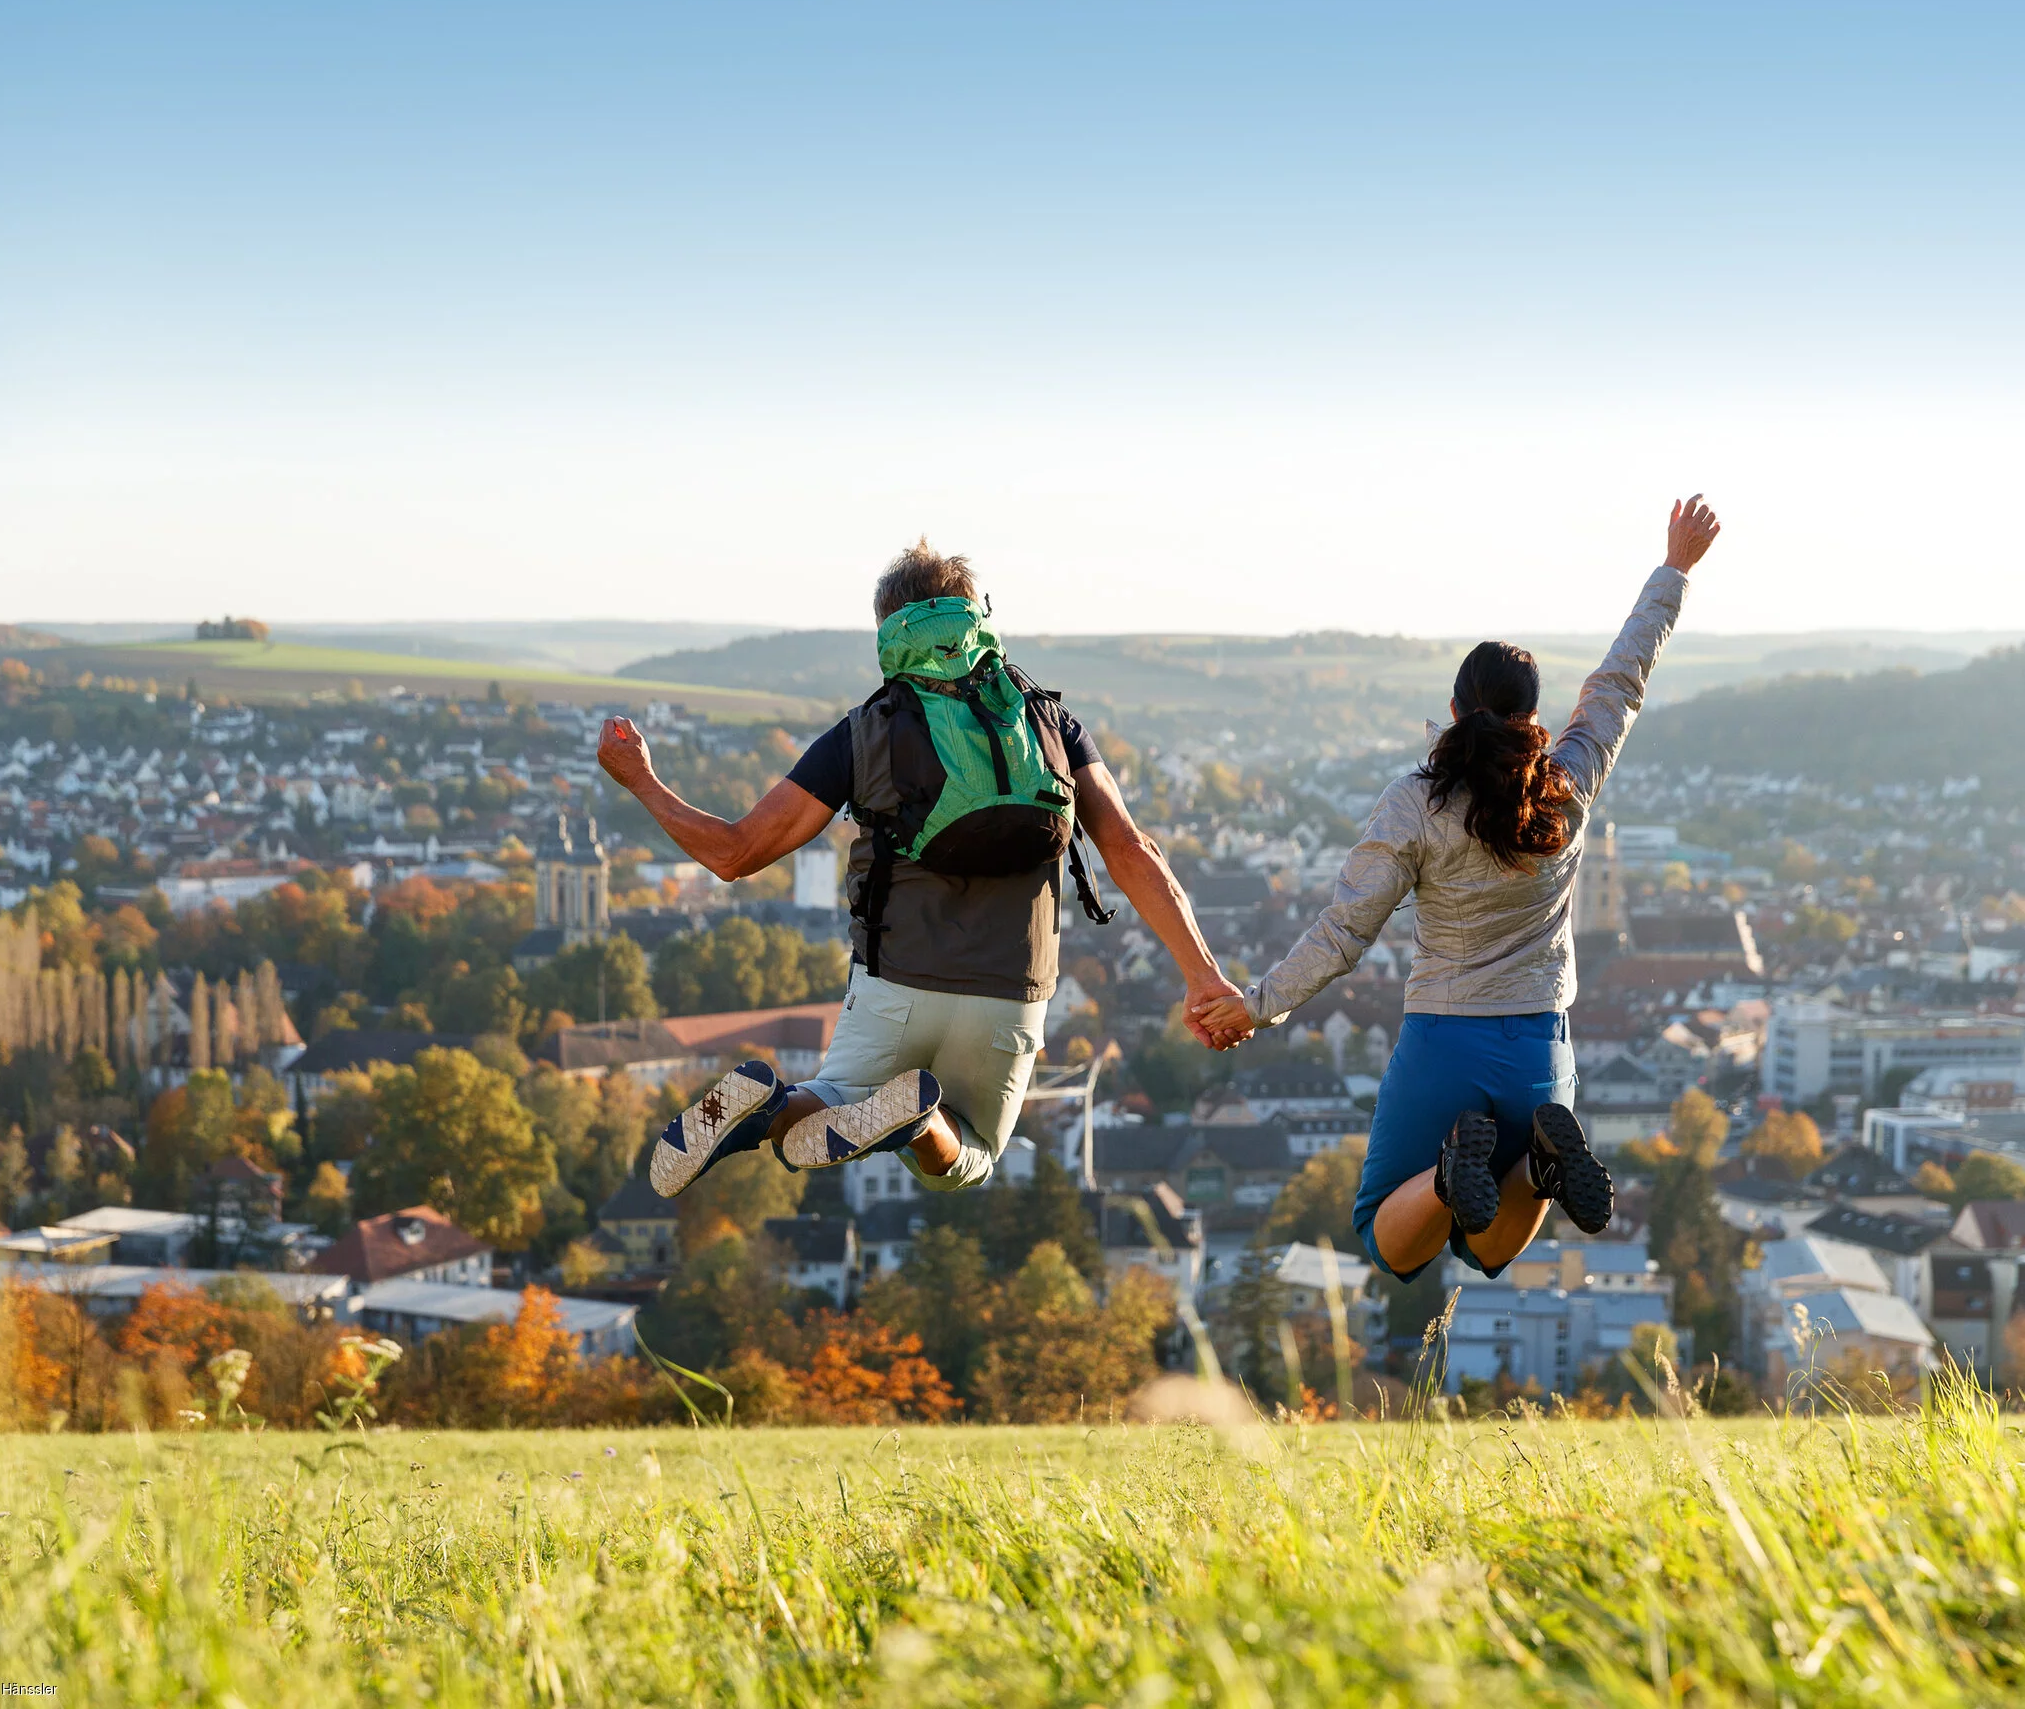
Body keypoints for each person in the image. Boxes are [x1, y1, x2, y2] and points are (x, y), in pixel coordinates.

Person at [597, 537, 1248, 1201]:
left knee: (818, 1117)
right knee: (970, 1156)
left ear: (888, 632)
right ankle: (916, 1125)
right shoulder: (1050, 724)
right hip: (1010, 995)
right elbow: (1133, 852)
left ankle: (770, 1108)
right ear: (977, 617)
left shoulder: (863, 734)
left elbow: (734, 854)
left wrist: (641, 780)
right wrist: (1202, 974)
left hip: (896, 988)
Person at [1197, 497, 1722, 1280]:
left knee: (1385, 1238)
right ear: (1534, 716)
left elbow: (1344, 933)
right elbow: (1620, 680)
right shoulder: (1568, 784)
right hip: (1539, 1049)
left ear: (1452, 711)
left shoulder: (1414, 801)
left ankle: (1450, 1174)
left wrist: (1257, 1004)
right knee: (1488, 1249)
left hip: (1443, 1041)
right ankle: (1544, 1159)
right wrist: (1673, 570)